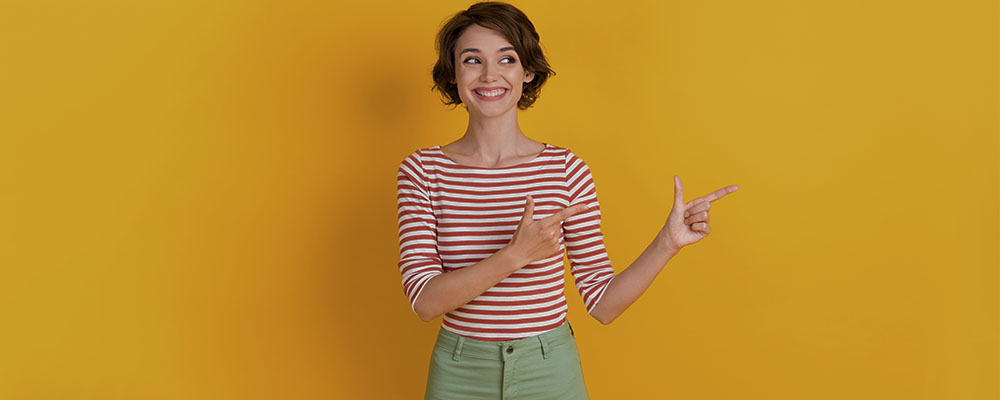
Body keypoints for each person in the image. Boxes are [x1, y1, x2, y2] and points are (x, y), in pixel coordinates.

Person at [395, 2, 740, 399]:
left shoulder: (565, 169)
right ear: (453, 74)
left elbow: (603, 304)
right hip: (460, 371)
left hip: (549, 368)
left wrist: (668, 243)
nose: (490, 74)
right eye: (472, 60)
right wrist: (515, 255)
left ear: (527, 72)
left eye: (506, 58)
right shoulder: (422, 171)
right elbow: (424, 301)